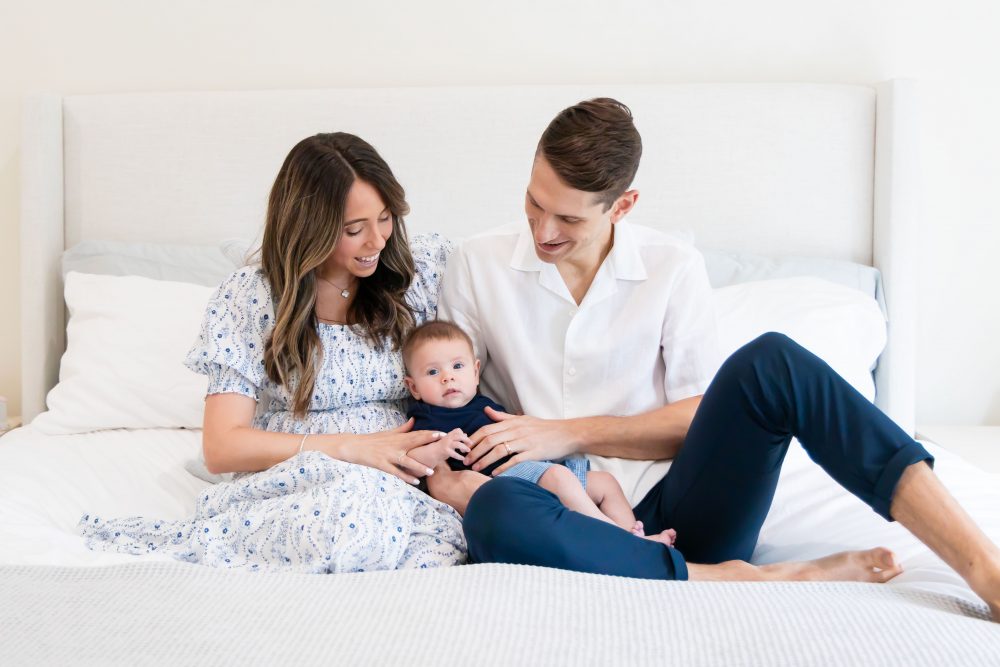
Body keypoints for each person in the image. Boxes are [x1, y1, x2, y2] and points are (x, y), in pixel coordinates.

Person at [429, 97, 1000, 619]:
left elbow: (695, 419)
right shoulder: (476, 263)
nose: (543, 230)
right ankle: (740, 579)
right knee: (491, 510)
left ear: (623, 206)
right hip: (551, 512)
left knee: (775, 362)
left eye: (570, 219)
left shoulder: (672, 266)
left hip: (678, 512)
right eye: (534, 202)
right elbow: (450, 400)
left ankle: (984, 568)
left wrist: (566, 432)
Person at [79, 132, 467, 572]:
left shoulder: (417, 275)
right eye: (353, 230)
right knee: (348, 520)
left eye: (385, 218)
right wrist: (350, 448)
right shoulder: (251, 297)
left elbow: (506, 269)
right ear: (310, 227)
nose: (377, 241)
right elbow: (222, 446)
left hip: (401, 480)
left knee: (429, 551)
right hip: (304, 478)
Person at [401, 320, 675, 544]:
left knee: (605, 483)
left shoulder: (483, 404)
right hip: (505, 482)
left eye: (457, 366)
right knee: (559, 477)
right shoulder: (428, 417)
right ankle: (625, 543)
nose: (447, 377)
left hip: (536, 468)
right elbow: (413, 458)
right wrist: (439, 449)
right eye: (433, 372)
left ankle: (633, 534)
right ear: (414, 387)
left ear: (475, 372)